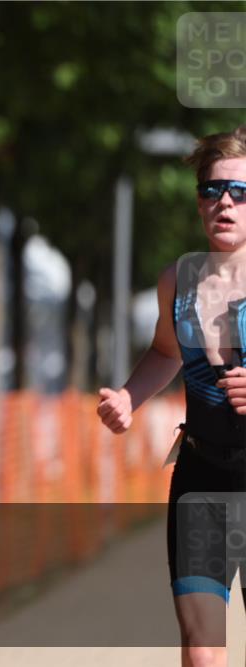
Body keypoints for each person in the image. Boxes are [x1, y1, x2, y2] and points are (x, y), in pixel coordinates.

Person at [97, 125, 246, 667]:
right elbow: (164, 351)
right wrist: (130, 399)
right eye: (212, 190)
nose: (224, 202)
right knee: (203, 650)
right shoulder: (177, 281)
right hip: (202, 476)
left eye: (240, 192)